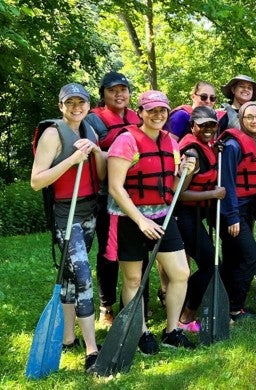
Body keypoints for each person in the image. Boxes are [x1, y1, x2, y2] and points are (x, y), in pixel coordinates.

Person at [107, 90, 197, 353]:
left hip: (164, 215)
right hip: (129, 218)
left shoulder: (172, 142)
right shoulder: (126, 141)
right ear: (141, 112)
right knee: (133, 279)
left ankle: (172, 331)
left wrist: (184, 173)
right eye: (152, 110)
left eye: (162, 111)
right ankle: (140, 332)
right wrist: (140, 221)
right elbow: (115, 187)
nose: (158, 115)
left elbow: (176, 186)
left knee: (180, 273)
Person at [31, 83, 106, 371]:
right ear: (61, 106)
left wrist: (96, 151)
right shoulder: (53, 133)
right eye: (70, 102)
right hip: (66, 213)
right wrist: (73, 159)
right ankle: (91, 350)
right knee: (84, 276)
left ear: (88, 105)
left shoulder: (90, 130)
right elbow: (37, 181)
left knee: (73, 277)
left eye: (81, 102)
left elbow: (99, 173)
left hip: (89, 210)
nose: (77, 107)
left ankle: (66, 339)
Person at [83, 71, 142, 326]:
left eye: (123, 89)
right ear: (103, 94)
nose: (119, 94)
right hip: (106, 194)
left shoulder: (137, 118)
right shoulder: (93, 121)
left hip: (135, 193)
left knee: (134, 251)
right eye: (112, 90)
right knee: (109, 253)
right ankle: (106, 305)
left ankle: (136, 301)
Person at [175, 106, 227, 331]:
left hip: (197, 215)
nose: (208, 129)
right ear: (192, 126)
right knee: (209, 266)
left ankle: (181, 306)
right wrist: (212, 194)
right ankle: (186, 317)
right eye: (202, 125)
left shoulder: (208, 146)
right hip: (184, 215)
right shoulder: (192, 154)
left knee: (210, 264)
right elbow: (179, 194)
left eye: (212, 125)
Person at [217, 101, 256, 320]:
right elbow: (226, 182)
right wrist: (232, 216)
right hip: (231, 211)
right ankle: (235, 307)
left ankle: (228, 304)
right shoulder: (233, 146)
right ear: (241, 121)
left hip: (247, 207)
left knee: (235, 258)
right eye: (249, 117)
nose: (254, 120)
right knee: (251, 256)